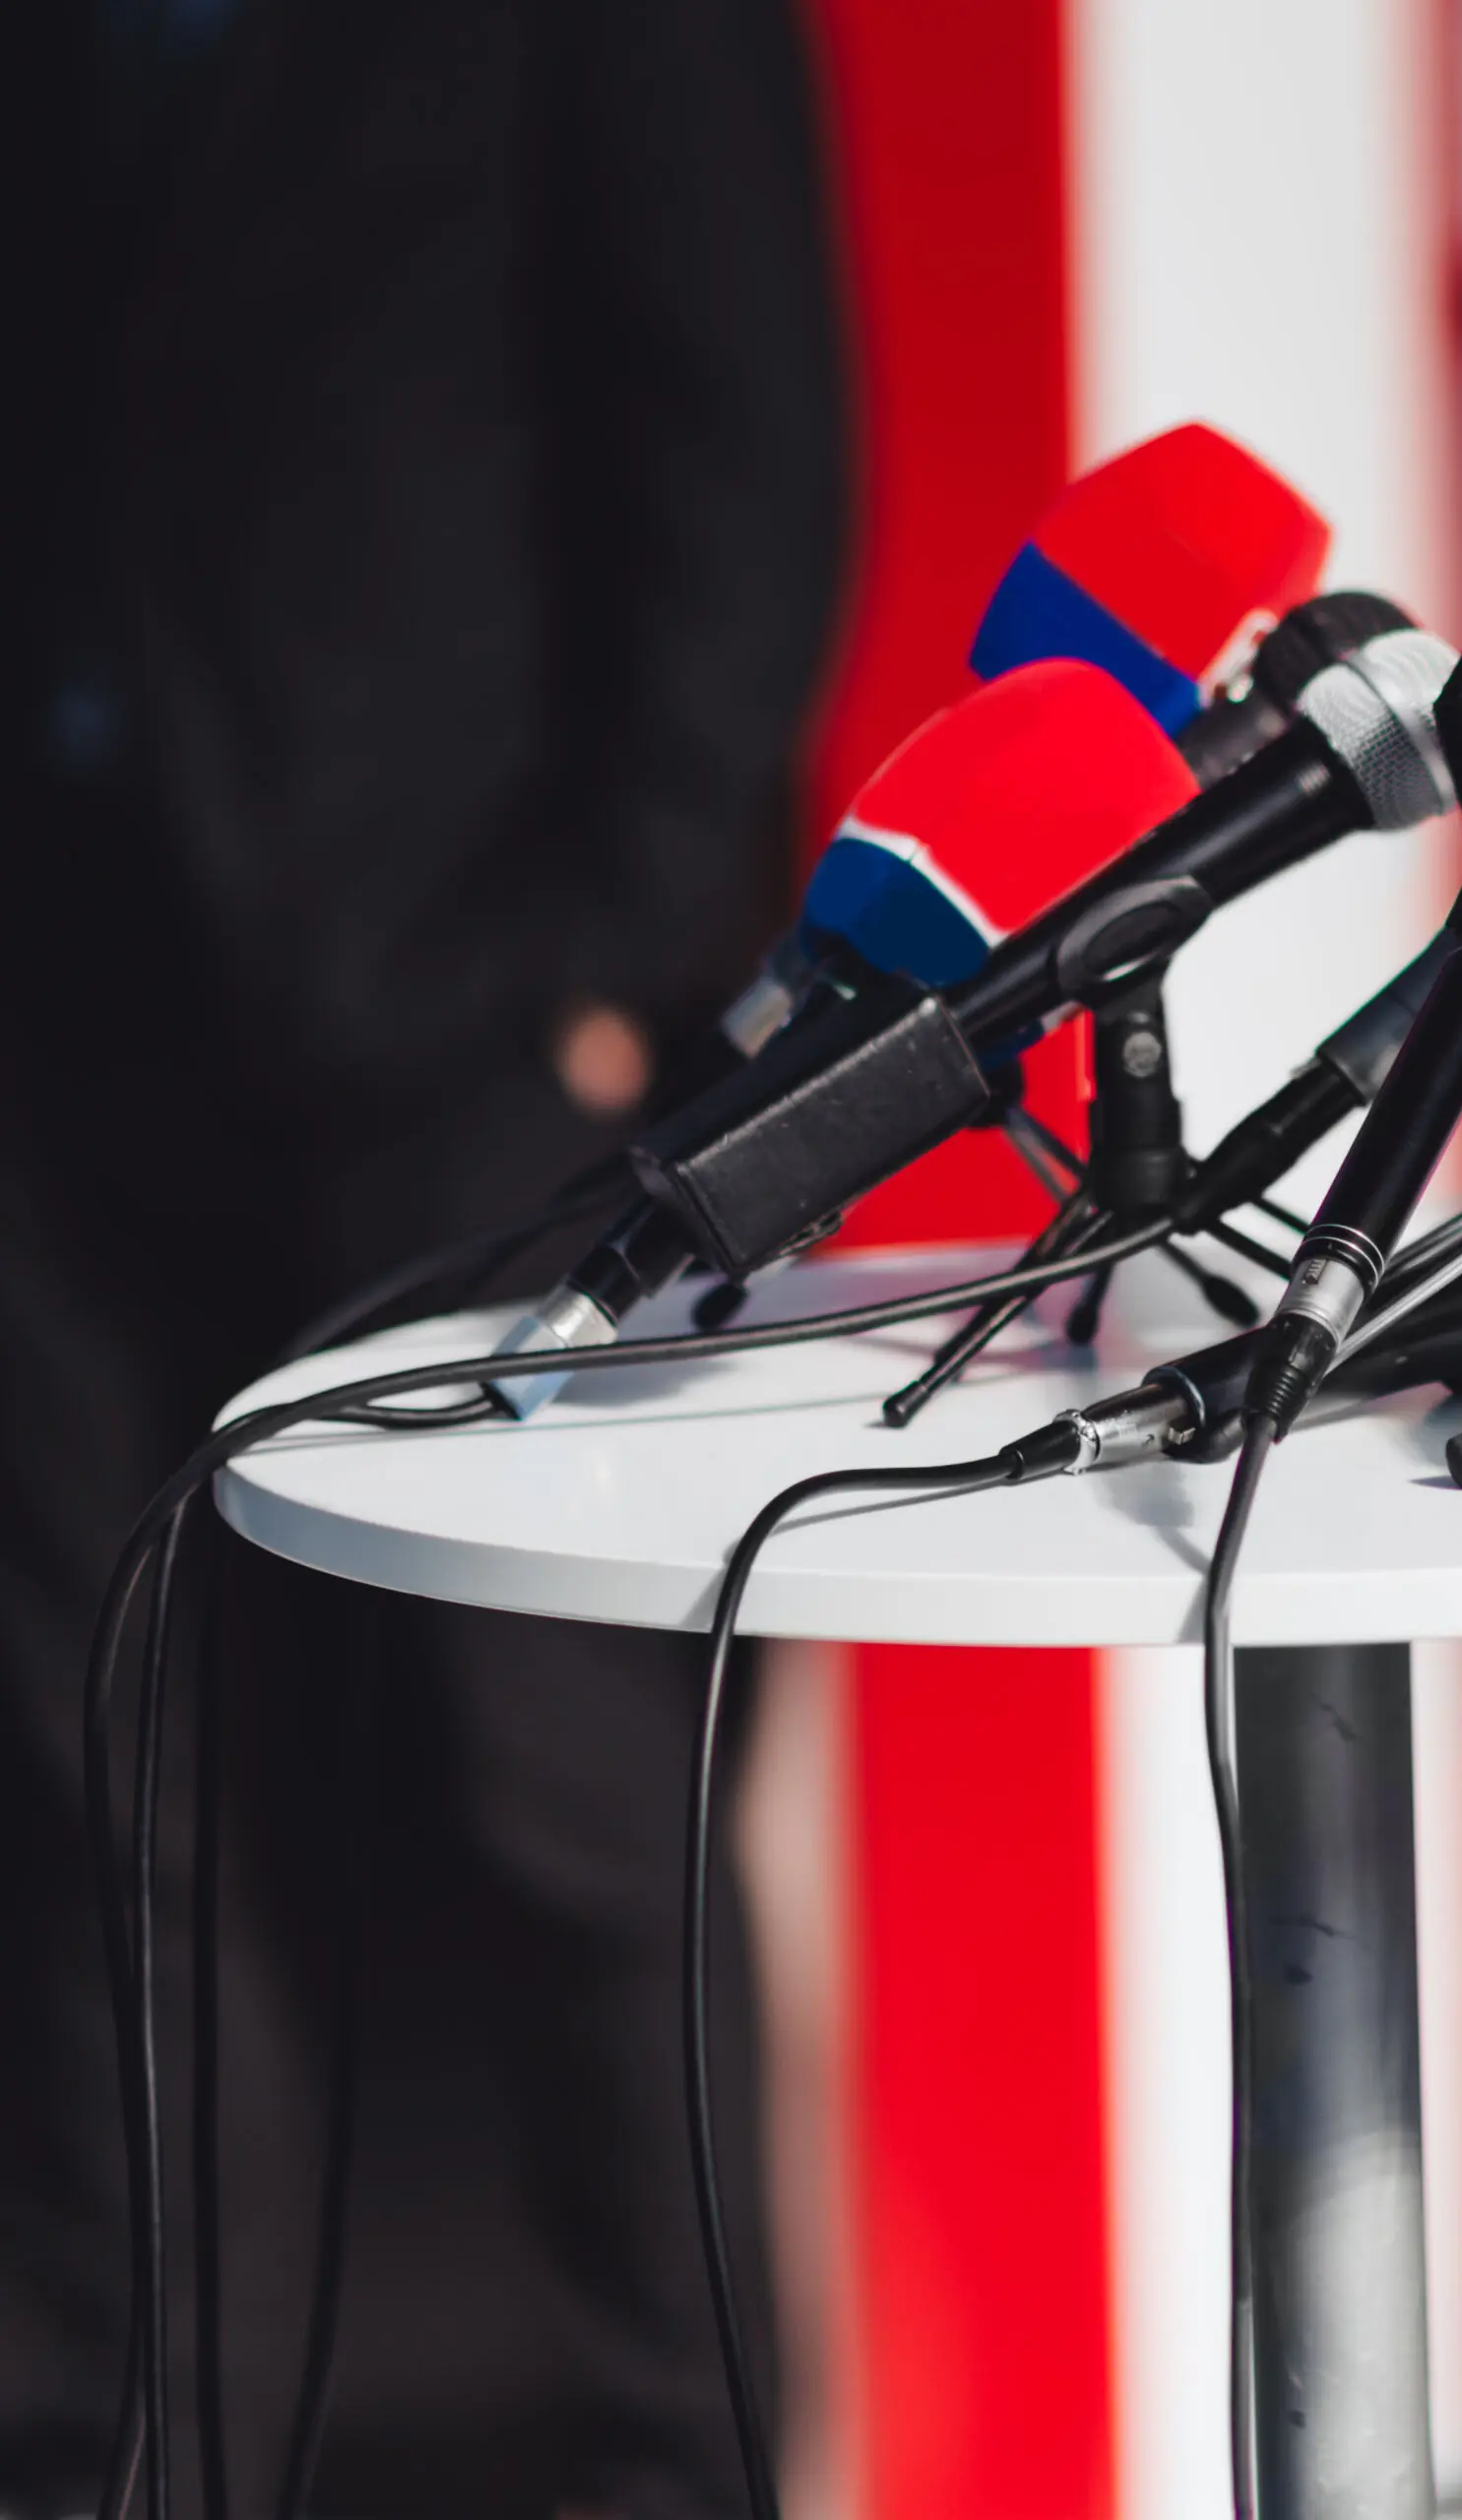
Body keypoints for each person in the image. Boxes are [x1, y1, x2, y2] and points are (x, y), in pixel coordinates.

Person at [0, 1, 840, 2509]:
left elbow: (746, 425)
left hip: (470, 996)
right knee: (90, 1752)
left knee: (566, 1776)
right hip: (59, 996)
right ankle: (127, 2439)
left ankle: (661, 2457)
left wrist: (624, 962)